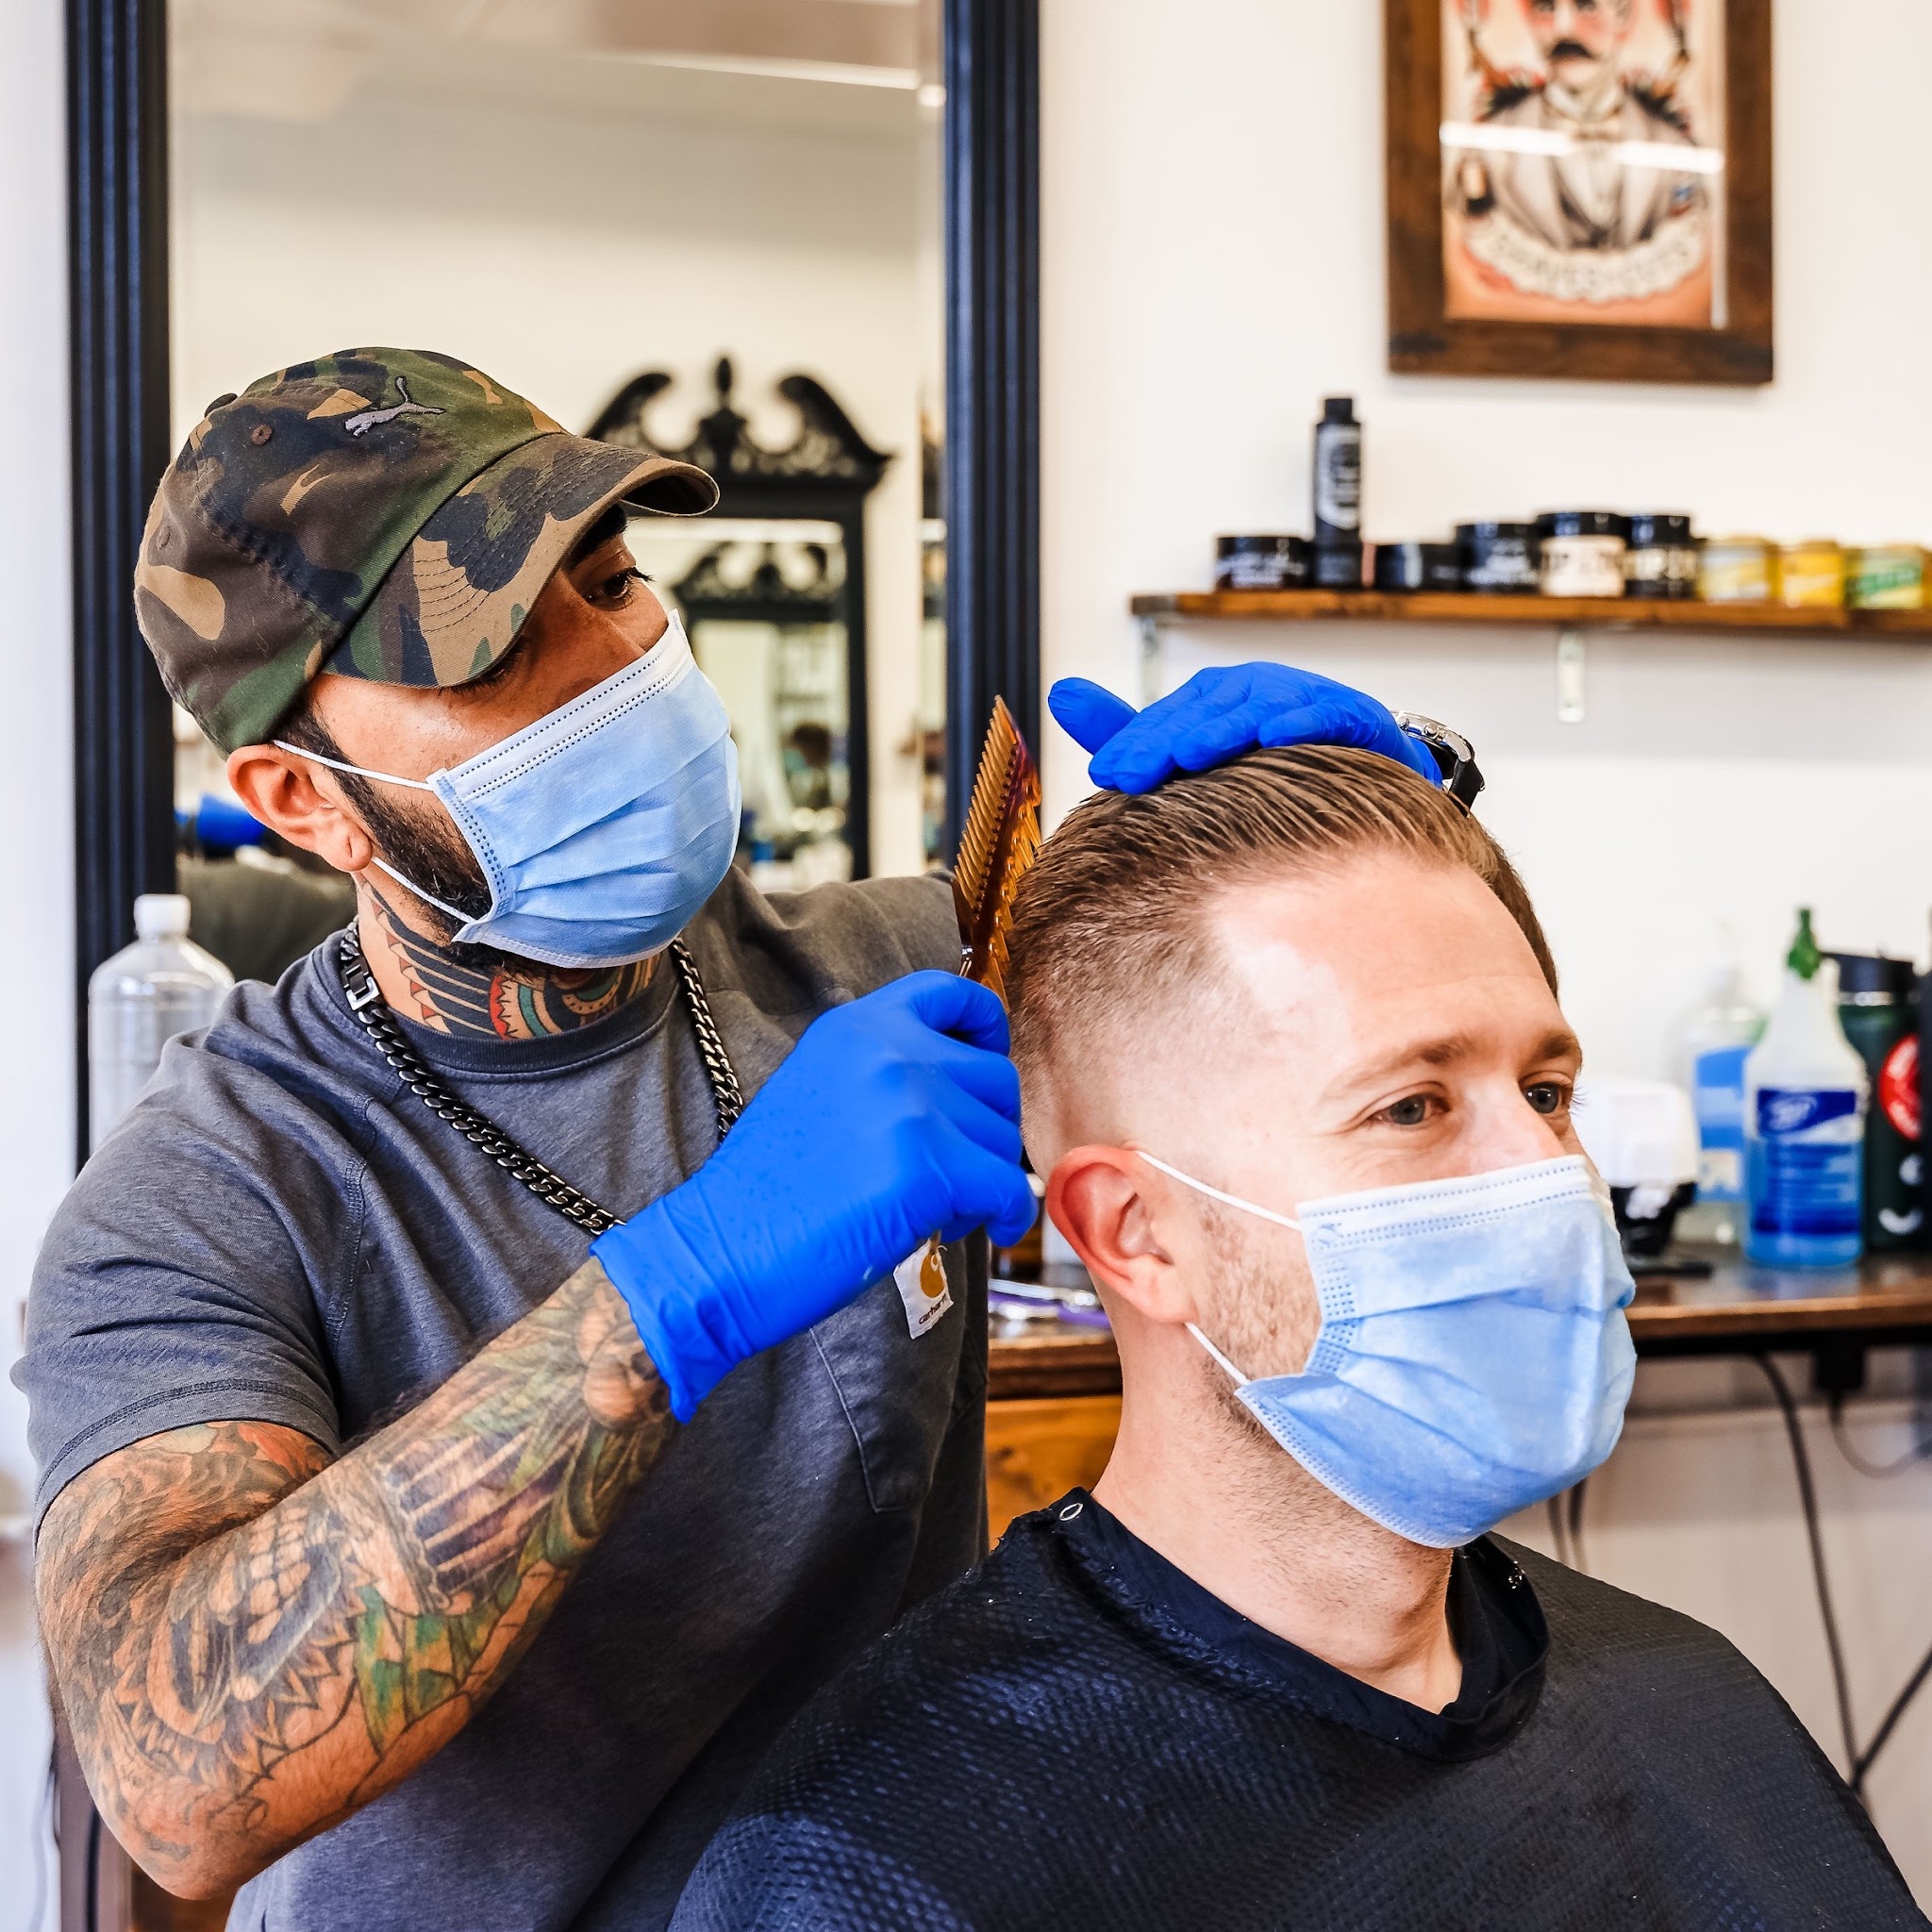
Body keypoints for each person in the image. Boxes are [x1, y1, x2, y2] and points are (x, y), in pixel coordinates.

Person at [18, 345, 1459, 1930]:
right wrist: (677, 1287)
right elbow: (176, 1777)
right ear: (303, 799)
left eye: (612, 580)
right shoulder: (205, 1195)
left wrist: (1373, 811)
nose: (618, 663)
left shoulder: (906, 973)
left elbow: (1355, 1057)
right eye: (493, 652)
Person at [673, 746, 1924, 1930]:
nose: (1548, 1175)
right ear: (1137, 1232)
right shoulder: (880, 1864)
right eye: (1412, 1106)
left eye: (1546, 1093)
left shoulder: (1684, 1694)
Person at [1449, 0, 1708, 306]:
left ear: (1623, 15)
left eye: (1586, 6)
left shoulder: (1674, 151)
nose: (1563, 28)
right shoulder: (1485, 152)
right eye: (1545, 8)